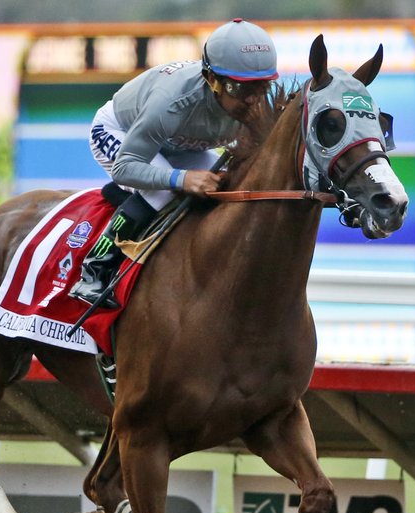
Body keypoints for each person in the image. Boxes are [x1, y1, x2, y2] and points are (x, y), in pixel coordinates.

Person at [69, 18, 278, 308]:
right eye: (239, 89)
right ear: (212, 80)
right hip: (122, 132)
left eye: (262, 87)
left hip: (177, 143)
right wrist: (181, 179)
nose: (253, 101)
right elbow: (125, 167)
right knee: (163, 191)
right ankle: (94, 270)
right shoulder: (171, 101)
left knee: (229, 184)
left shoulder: (253, 102)